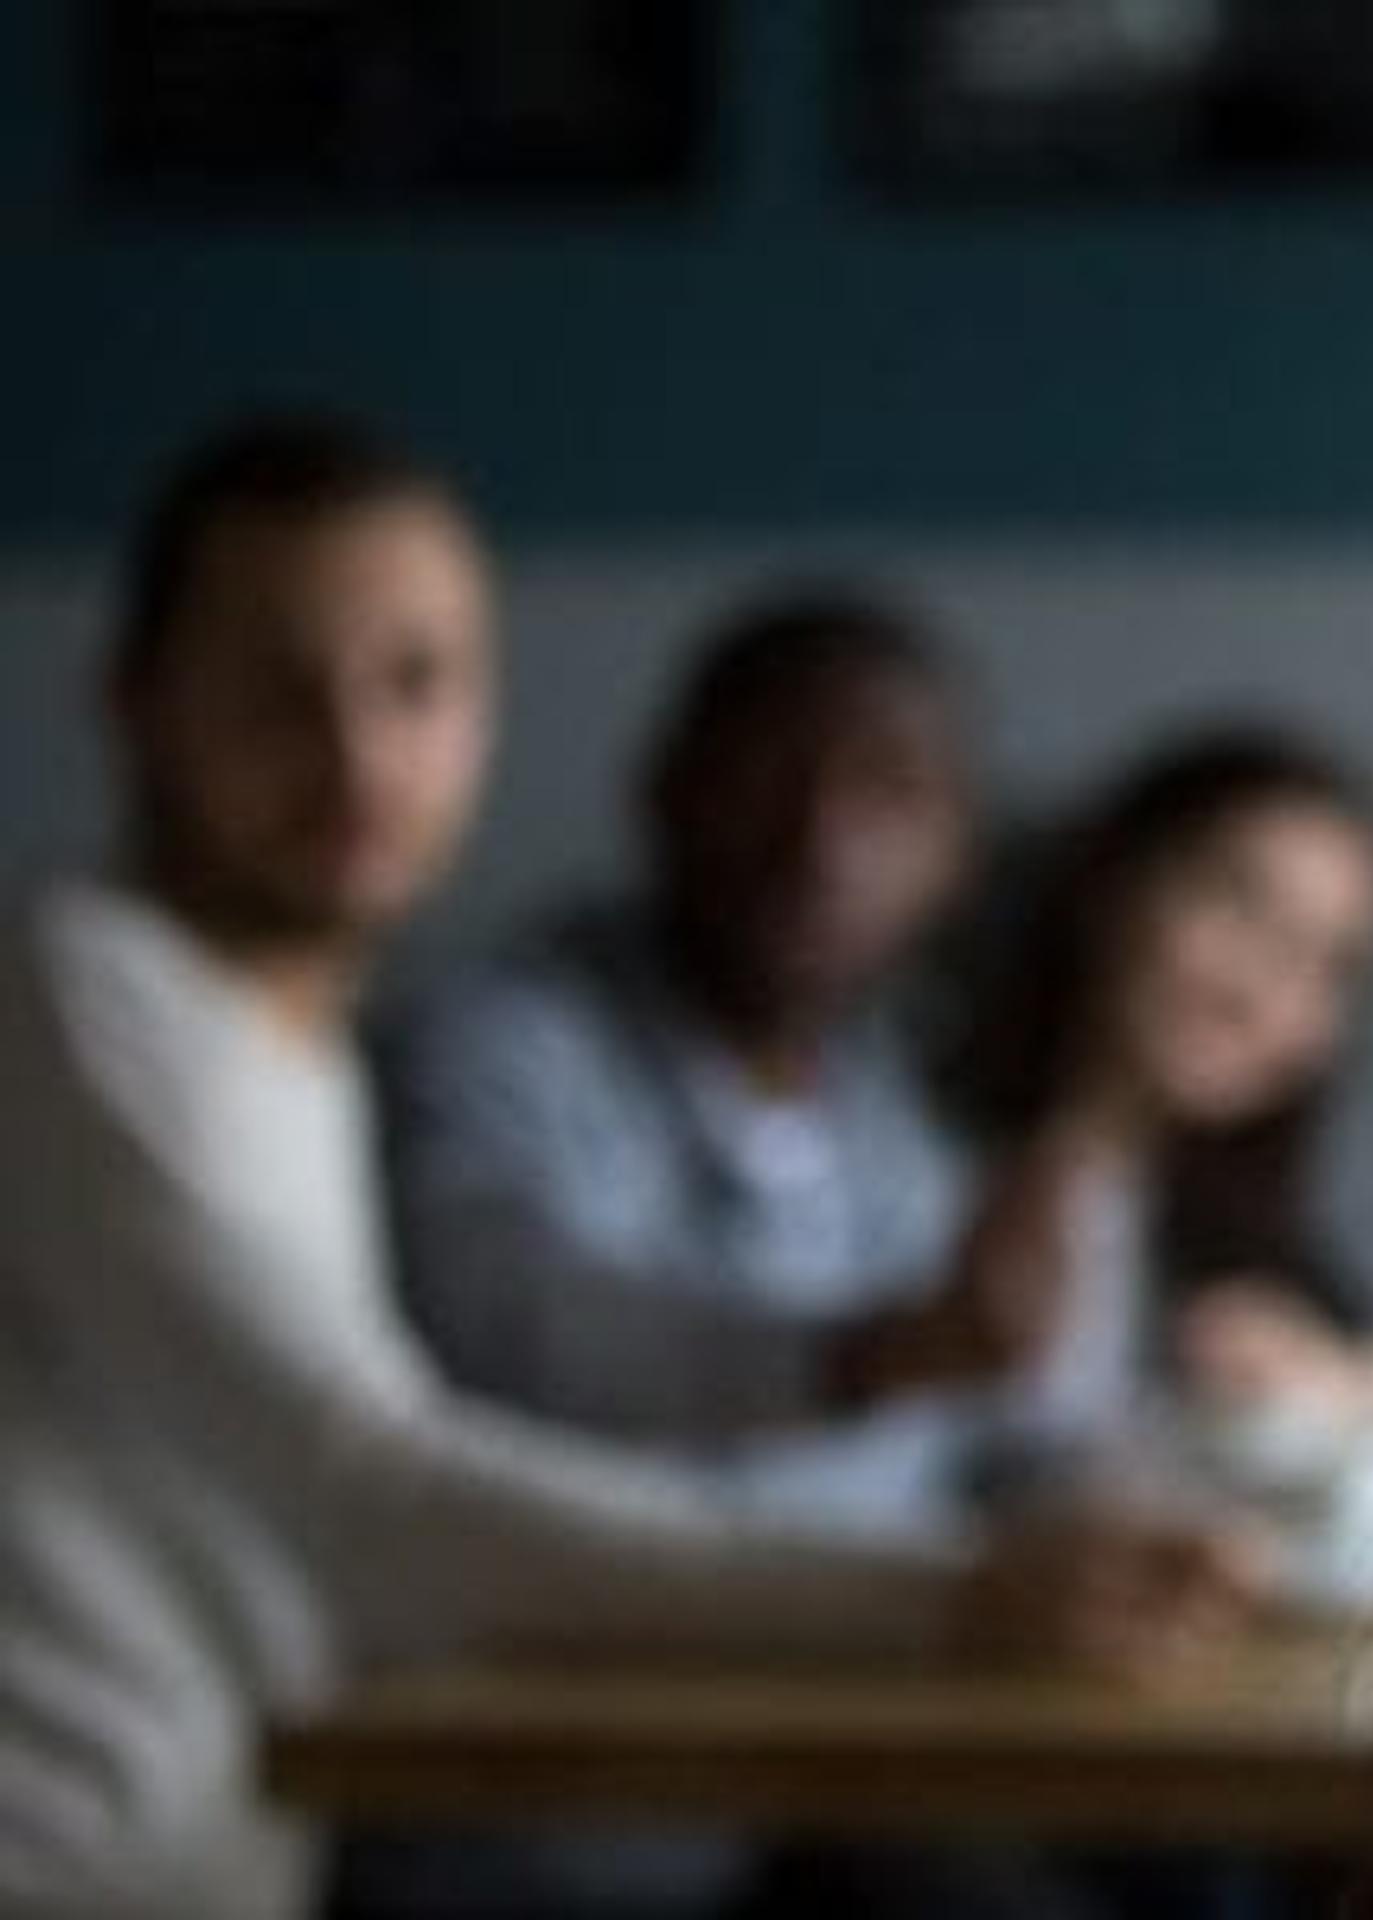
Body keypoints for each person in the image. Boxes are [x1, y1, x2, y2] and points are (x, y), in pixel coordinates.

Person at [0, 413, 1256, 1920]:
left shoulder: (287, 1040)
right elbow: (382, 1484)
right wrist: (950, 1596)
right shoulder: (86, 1002)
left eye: (416, 683)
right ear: (136, 703)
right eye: (277, 688)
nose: (355, 754)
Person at [382, 590, 1073, 1546]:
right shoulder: (498, 1042)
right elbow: (507, 1325)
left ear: (959, 854)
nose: (820, 844)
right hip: (565, 1670)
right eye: (769, 769)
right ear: (664, 786)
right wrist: (871, 1356)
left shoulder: (908, 1114)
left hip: (884, 1675)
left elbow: (1010, 1449)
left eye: (890, 790)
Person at [949, 728, 1373, 1486]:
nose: (1259, 993)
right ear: (1113, 883)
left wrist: (1350, 1387)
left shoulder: (1273, 1248)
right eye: (1238, 905)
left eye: (1329, 964)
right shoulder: (913, 1169)